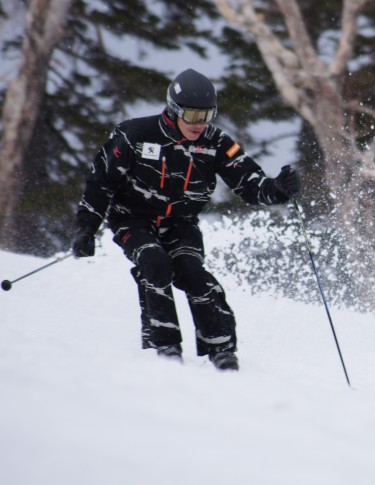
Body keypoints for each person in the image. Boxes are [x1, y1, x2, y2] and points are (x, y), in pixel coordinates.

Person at [72, 68, 300, 371]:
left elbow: (250, 183)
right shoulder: (135, 135)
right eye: (192, 115)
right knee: (155, 263)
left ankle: (220, 347)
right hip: (133, 218)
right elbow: (101, 183)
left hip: (181, 222)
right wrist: (86, 228)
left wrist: (278, 189)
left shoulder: (216, 142)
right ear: (174, 109)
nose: (199, 124)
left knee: (191, 271)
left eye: (206, 116)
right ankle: (164, 344)